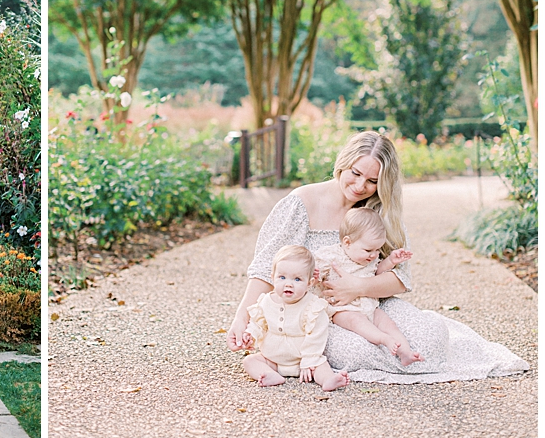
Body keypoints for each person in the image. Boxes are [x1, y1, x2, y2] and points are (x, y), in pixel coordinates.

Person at [226, 130, 530, 384]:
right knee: (355, 350)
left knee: (433, 337)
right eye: (356, 173)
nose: (361, 186)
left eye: (372, 181)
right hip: (319, 314)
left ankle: (400, 350)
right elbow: (266, 266)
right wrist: (242, 318)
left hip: (372, 305)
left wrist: (356, 288)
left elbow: (400, 279)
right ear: (342, 164)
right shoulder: (301, 203)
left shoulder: (379, 210)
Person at [312, 207, 423, 366]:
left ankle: (406, 353)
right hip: (343, 309)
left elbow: (377, 272)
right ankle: (383, 339)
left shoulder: (368, 259)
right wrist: (314, 275)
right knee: (356, 321)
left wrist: (391, 261)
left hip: (369, 306)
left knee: (388, 323)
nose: (374, 254)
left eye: (378, 249)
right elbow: (316, 275)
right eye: (369, 250)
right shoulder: (331, 256)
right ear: (347, 242)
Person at [240, 245, 350, 391]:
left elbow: (317, 335)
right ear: (273, 278)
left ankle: (328, 380)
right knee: (250, 361)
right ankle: (269, 374)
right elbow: (258, 323)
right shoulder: (266, 302)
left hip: (302, 360)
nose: (288, 284)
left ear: (309, 283)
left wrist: (308, 359)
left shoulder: (312, 306)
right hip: (272, 359)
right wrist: (251, 334)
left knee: (320, 365)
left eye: (297, 279)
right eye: (282, 277)